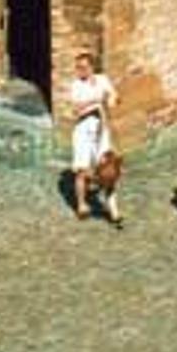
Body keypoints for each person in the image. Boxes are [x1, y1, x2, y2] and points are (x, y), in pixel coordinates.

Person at [67, 50, 121, 224]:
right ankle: (82, 204)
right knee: (82, 170)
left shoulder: (103, 80)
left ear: (91, 67)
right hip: (83, 129)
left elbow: (113, 97)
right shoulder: (76, 85)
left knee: (108, 169)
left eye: (83, 67)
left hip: (101, 127)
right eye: (78, 68)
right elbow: (76, 109)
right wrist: (96, 101)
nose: (79, 71)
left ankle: (113, 208)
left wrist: (111, 100)